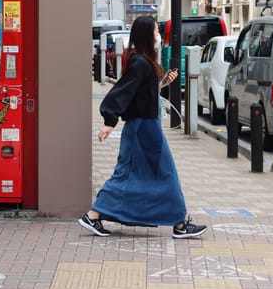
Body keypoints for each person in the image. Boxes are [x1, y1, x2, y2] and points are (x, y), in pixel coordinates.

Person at [79, 15, 207, 239]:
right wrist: (109, 122)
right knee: (159, 174)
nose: (158, 35)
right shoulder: (140, 62)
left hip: (146, 128)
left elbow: (142, 92)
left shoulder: (143, 61)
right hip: (144, 130)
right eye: (156, 31)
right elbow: (122, 91)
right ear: (147, 35)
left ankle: (95, 215)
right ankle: (178, 225)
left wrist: (163, 82)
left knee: (136, 175)